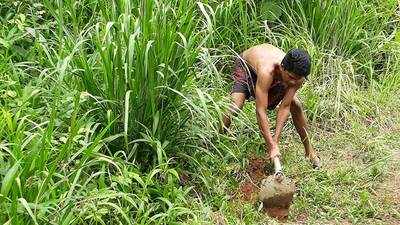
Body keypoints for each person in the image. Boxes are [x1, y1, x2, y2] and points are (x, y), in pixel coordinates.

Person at [221, 44, 320, 169]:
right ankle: (216, 139)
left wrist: (275, 141)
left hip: (276, 74)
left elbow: (285, 107)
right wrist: (271, 146)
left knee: (296, 105)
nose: (293, 83)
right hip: (247, 67)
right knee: (236, 105)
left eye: (297, 79)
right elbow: (260, 110)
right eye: (291, 77)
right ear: (282, 68)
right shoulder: (267, 71)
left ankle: (310, 151)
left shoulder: (297, 77)